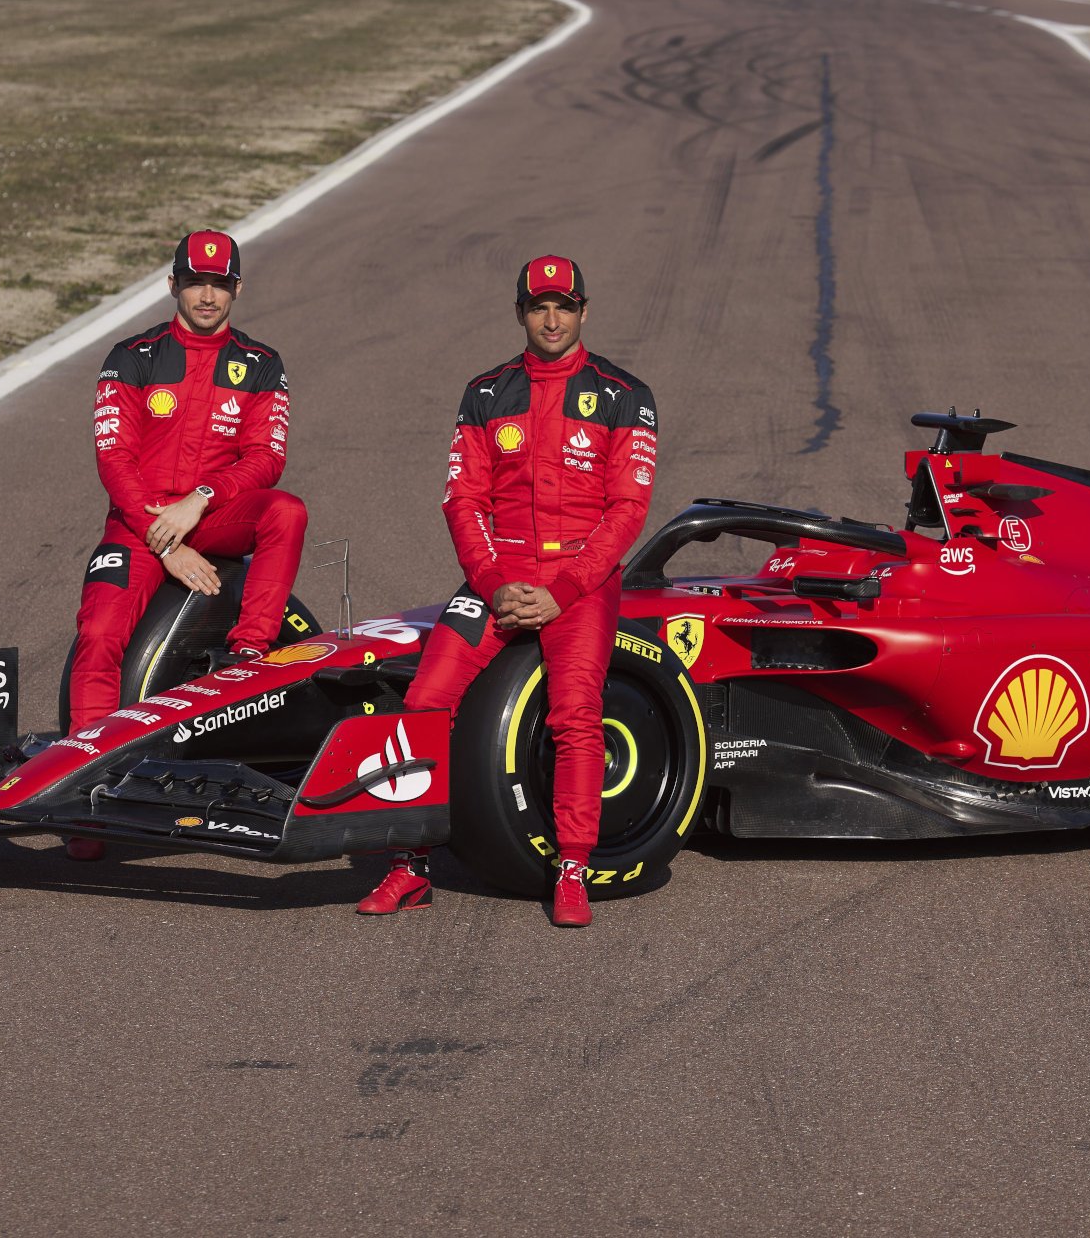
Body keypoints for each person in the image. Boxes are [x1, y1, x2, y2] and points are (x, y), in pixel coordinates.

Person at [359, 254, 657, 926]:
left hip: (582, 579)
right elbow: (462, 501)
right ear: (519, 311)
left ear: (584, 309)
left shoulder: (624, 395)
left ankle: (573, 868)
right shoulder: (486, 393)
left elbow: (627, 510)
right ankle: (409, 866)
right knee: (424, 699)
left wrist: (565, 590)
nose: (552, 319)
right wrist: (494, 584)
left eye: (564, 305)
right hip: (498, 573)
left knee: (577, 713)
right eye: (538, 306)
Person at [66, 230, 307, 859]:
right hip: (136, 525)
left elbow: (266, 458)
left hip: (213, 514)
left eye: (220, 283)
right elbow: (114, 458)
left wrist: (199, 499)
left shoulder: (261, 364)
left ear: (237, 288)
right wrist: (163, 538)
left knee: (286, 512)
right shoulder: (132, 356)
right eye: (196, 282)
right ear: (173, 284)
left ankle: (248, 656)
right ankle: (86, 797)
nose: (207, 294)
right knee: (98, 637)